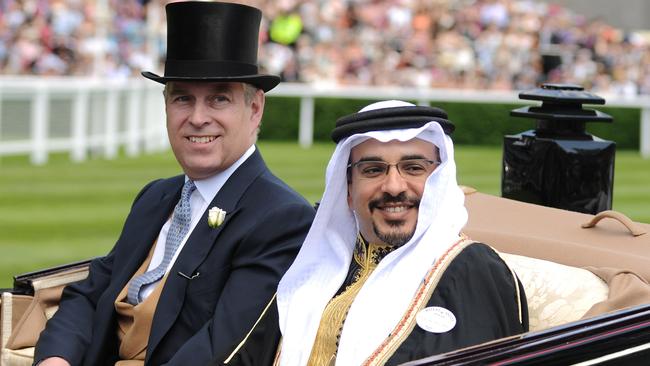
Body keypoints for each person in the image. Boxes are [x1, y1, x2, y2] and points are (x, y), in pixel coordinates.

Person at [34, 2, 314, 366]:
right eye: (183, 98)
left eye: (219, 98)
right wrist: (56, 358)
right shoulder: (156, 196)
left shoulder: (281, 218)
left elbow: (222, 350)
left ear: (255, 108)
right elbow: (90, 294)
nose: (198, 118)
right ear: (166, 106)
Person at [276, 100, 528, 365]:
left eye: (414, 168)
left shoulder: (472, 270)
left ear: (439, 182)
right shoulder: (316, 268)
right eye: (373, 170)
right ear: (348, 190)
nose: (394, 186)